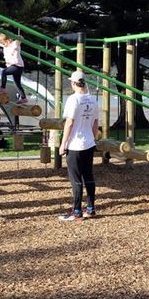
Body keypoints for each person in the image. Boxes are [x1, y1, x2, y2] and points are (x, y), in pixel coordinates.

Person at [59, 70, 99, 221]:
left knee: (75, 179)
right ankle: (90, 207)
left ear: (74, 84)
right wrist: (93, 139)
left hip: (75, 144)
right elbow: (95, 123)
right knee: (88, 176)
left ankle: (76, 211)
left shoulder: (73, 100)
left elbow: (69, 123)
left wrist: (63, 144)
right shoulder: (93, 100)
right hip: (88, 143)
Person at [0, 33, 27, 104]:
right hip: (16, 67)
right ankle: (24, 98)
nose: (3, 44)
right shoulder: (4, 45)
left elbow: (20, 39)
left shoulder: (14, 44)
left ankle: (3, 88)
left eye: (4, 42)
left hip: (16, 66)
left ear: (8, 40)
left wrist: (18, 37)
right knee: (17, 84)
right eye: (2, 43)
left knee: (4, 72)